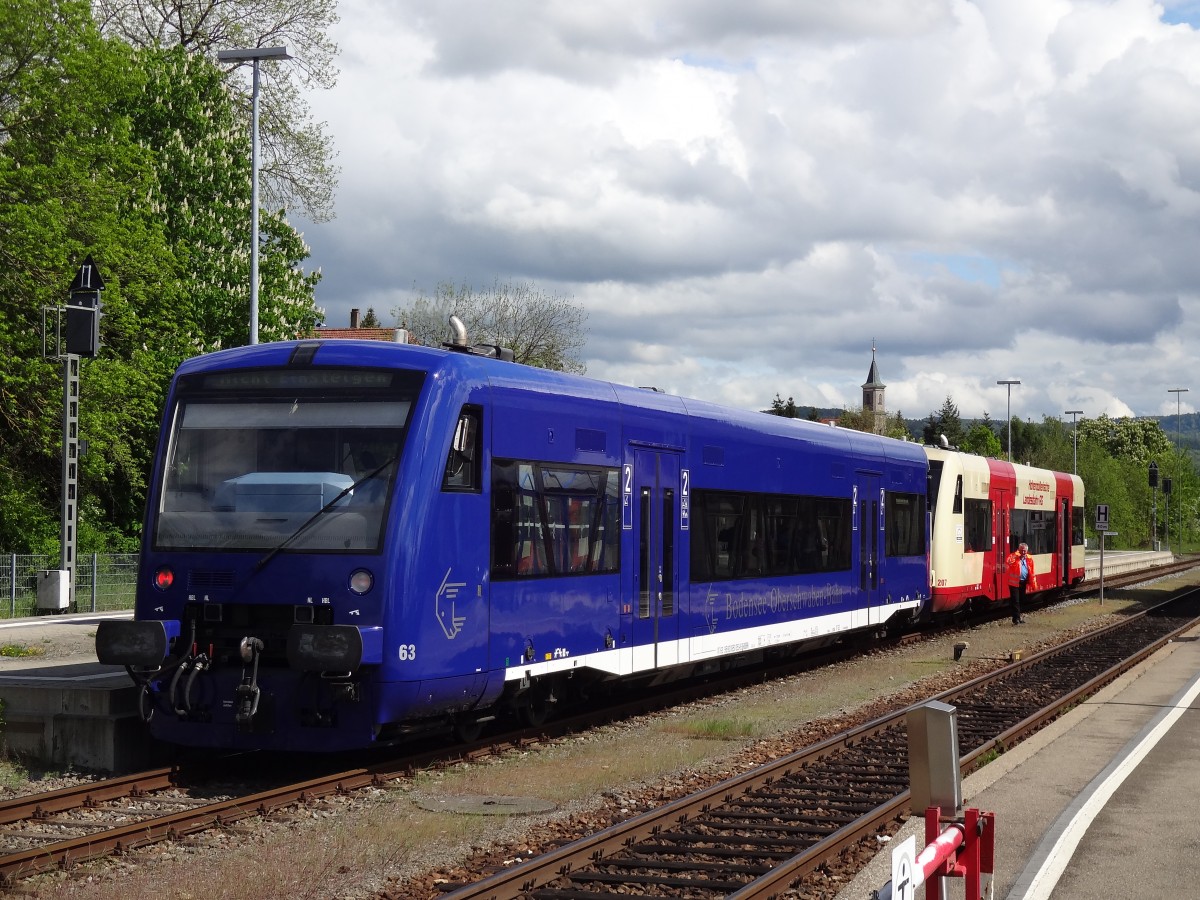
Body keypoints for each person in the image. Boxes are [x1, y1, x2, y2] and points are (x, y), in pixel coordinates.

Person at [1006, 542, 1037, 624]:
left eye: (1024, 551)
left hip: (1023, 582)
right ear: (1018, 550)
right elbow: (1008, 561)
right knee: (1015, 601)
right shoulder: (1014, 557)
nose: (1023, 552)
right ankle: (1015, 619)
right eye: (1021, 550)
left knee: (1021, 600)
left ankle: (1018, 618)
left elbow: (1032, 570)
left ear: (1027, 551)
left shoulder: (1029, 559)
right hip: (1014, 583)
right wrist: (1016, 555)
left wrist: (1033, 581)